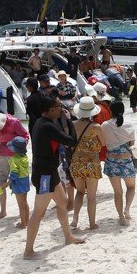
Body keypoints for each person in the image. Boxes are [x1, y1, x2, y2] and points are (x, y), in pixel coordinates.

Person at [23, 97, 86, 259]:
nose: (61, 109)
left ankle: (68, 237)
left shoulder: (39, 122)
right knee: (39, 213)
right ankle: (28, 251)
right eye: (59, 107)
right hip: (45, 176)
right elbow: (72, 141)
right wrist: (70, 121)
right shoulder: (47, 126)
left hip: (50, 172)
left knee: (63, 203)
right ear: (51, 110)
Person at [68, 96, 105, 231]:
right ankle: (92, 223)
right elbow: (103, 143)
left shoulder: (72, 125)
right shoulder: (96, 127)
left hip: (76, 162)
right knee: (91, 196)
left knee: (79, 192)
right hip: (92, 163)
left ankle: (75, 219)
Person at [0, 111, 29, 223]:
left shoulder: (14, 122)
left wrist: (20, 152)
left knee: (18, 183)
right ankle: (3, 210)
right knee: (1, 181)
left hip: (17, 156)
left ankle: (22, 211)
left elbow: (25, 136)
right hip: (3, 155)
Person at [101, 100, 137, 225]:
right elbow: (132, 143)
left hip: (112, 160)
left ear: (110, 111)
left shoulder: (105, 125)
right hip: (126, 159)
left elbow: (103, 143)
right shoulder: (129, 124)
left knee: (117, 192)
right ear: (123, 110)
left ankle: (121, 217)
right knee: (131, 187)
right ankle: (127, 209)